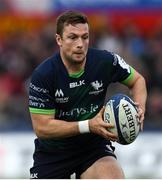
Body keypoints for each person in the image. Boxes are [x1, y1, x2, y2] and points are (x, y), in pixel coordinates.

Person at [29, 10, 147, 179]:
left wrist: (139, 108)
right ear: (59, 40)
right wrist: (88, 125)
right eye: (72, 37)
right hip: (54, 153)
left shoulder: (105, 61)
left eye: (85, 37)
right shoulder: (44, 75)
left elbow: (137, 80)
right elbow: (42, 127)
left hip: (93, 146)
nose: (80, 44)